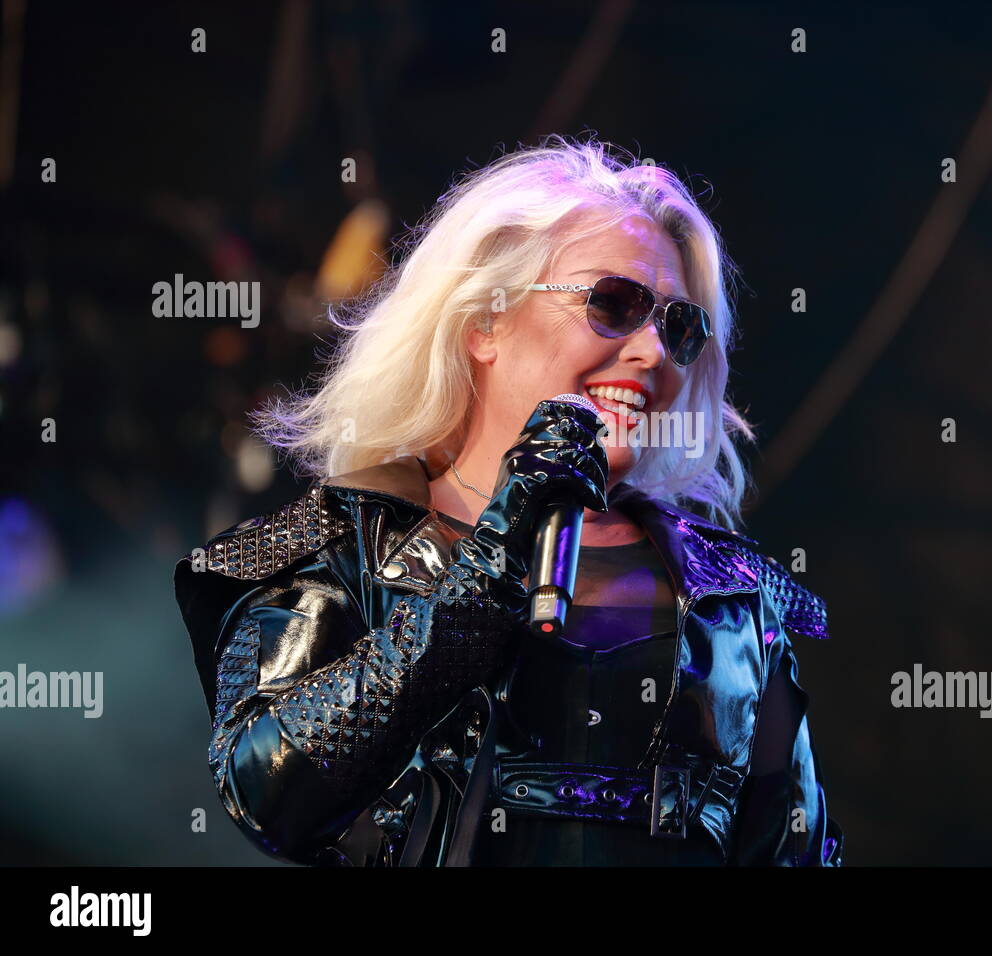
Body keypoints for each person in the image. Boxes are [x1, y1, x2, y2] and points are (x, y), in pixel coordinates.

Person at [174, 135, 843, 866]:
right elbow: (268, 793)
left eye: (678, 327)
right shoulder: (336, 546)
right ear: (484, 322)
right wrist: (496, 554)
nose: (654, 352)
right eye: (614, 303)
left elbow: (798, 852)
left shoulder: (734, 602)